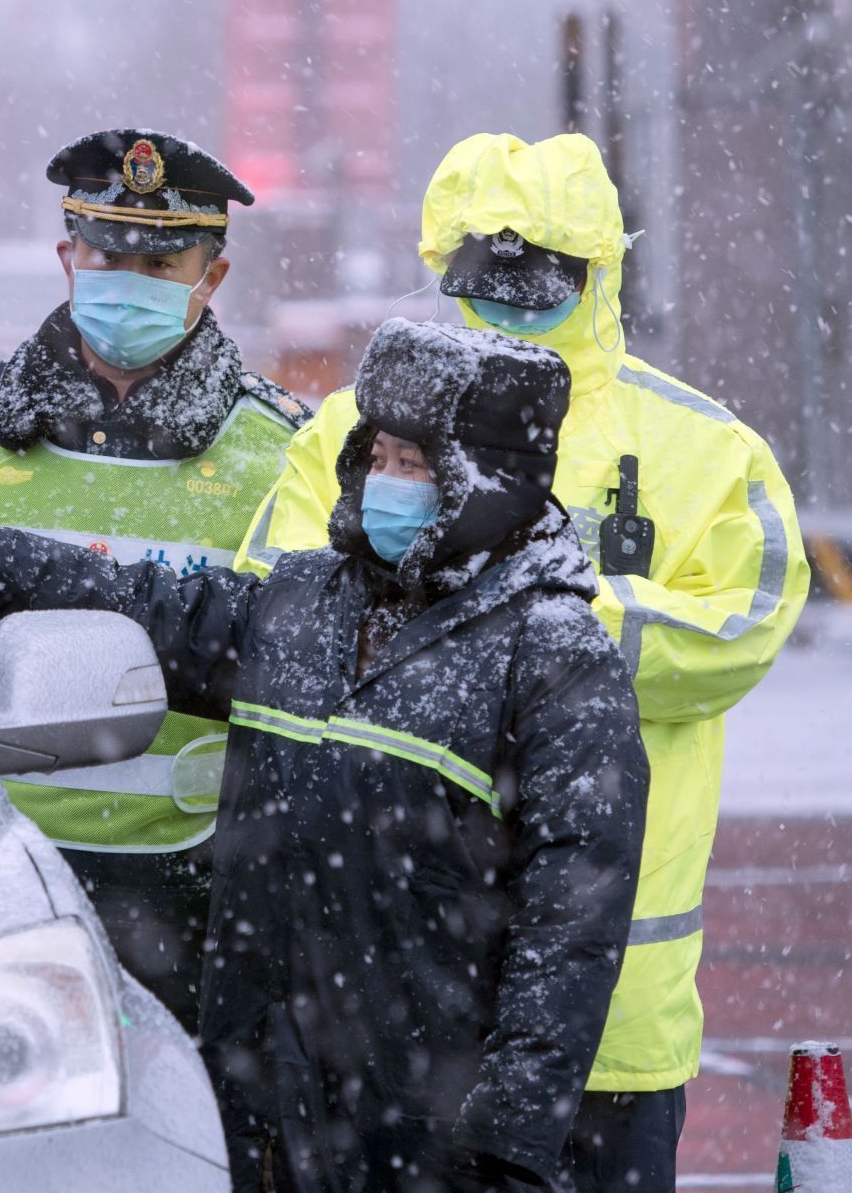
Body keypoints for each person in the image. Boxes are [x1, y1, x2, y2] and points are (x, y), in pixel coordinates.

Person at [0, 319, 649, 1193]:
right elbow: (137, 600)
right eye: (380, 457)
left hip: (425, 1126)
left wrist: (512, 1137)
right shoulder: (305, 602)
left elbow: (572, 923)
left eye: (417, 466)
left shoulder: (552, 656)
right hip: (264, 1102)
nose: (387, 485)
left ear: (488, 483)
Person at [235, 132, 810, 1193]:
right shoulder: (347, 434)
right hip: (385, 986)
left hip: (607, 1006)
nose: (504, 304)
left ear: (600, 273)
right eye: (479, 278)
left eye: (536, 279)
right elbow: (282, 613)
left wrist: (524, 640)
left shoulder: (702, 449)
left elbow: (746, 621)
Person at [0, 128, 311, 1032]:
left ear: (213, 276)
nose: (129, 274)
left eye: (164, 260)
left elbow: (286, 662)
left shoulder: (288, 452)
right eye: (106, 251)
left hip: (193, 885)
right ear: (67, 257)